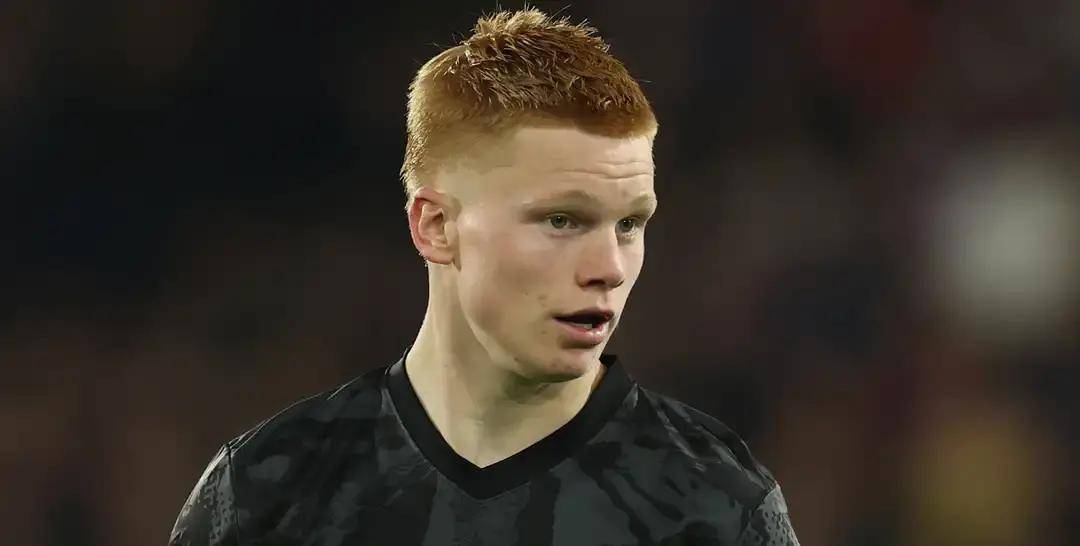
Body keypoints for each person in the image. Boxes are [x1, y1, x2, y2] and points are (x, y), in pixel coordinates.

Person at [168, 8, 800, 545]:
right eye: (561, 220)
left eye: (630, 224)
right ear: (436, 227)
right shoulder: (266, 494)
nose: (609, 268)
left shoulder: (718, 507)